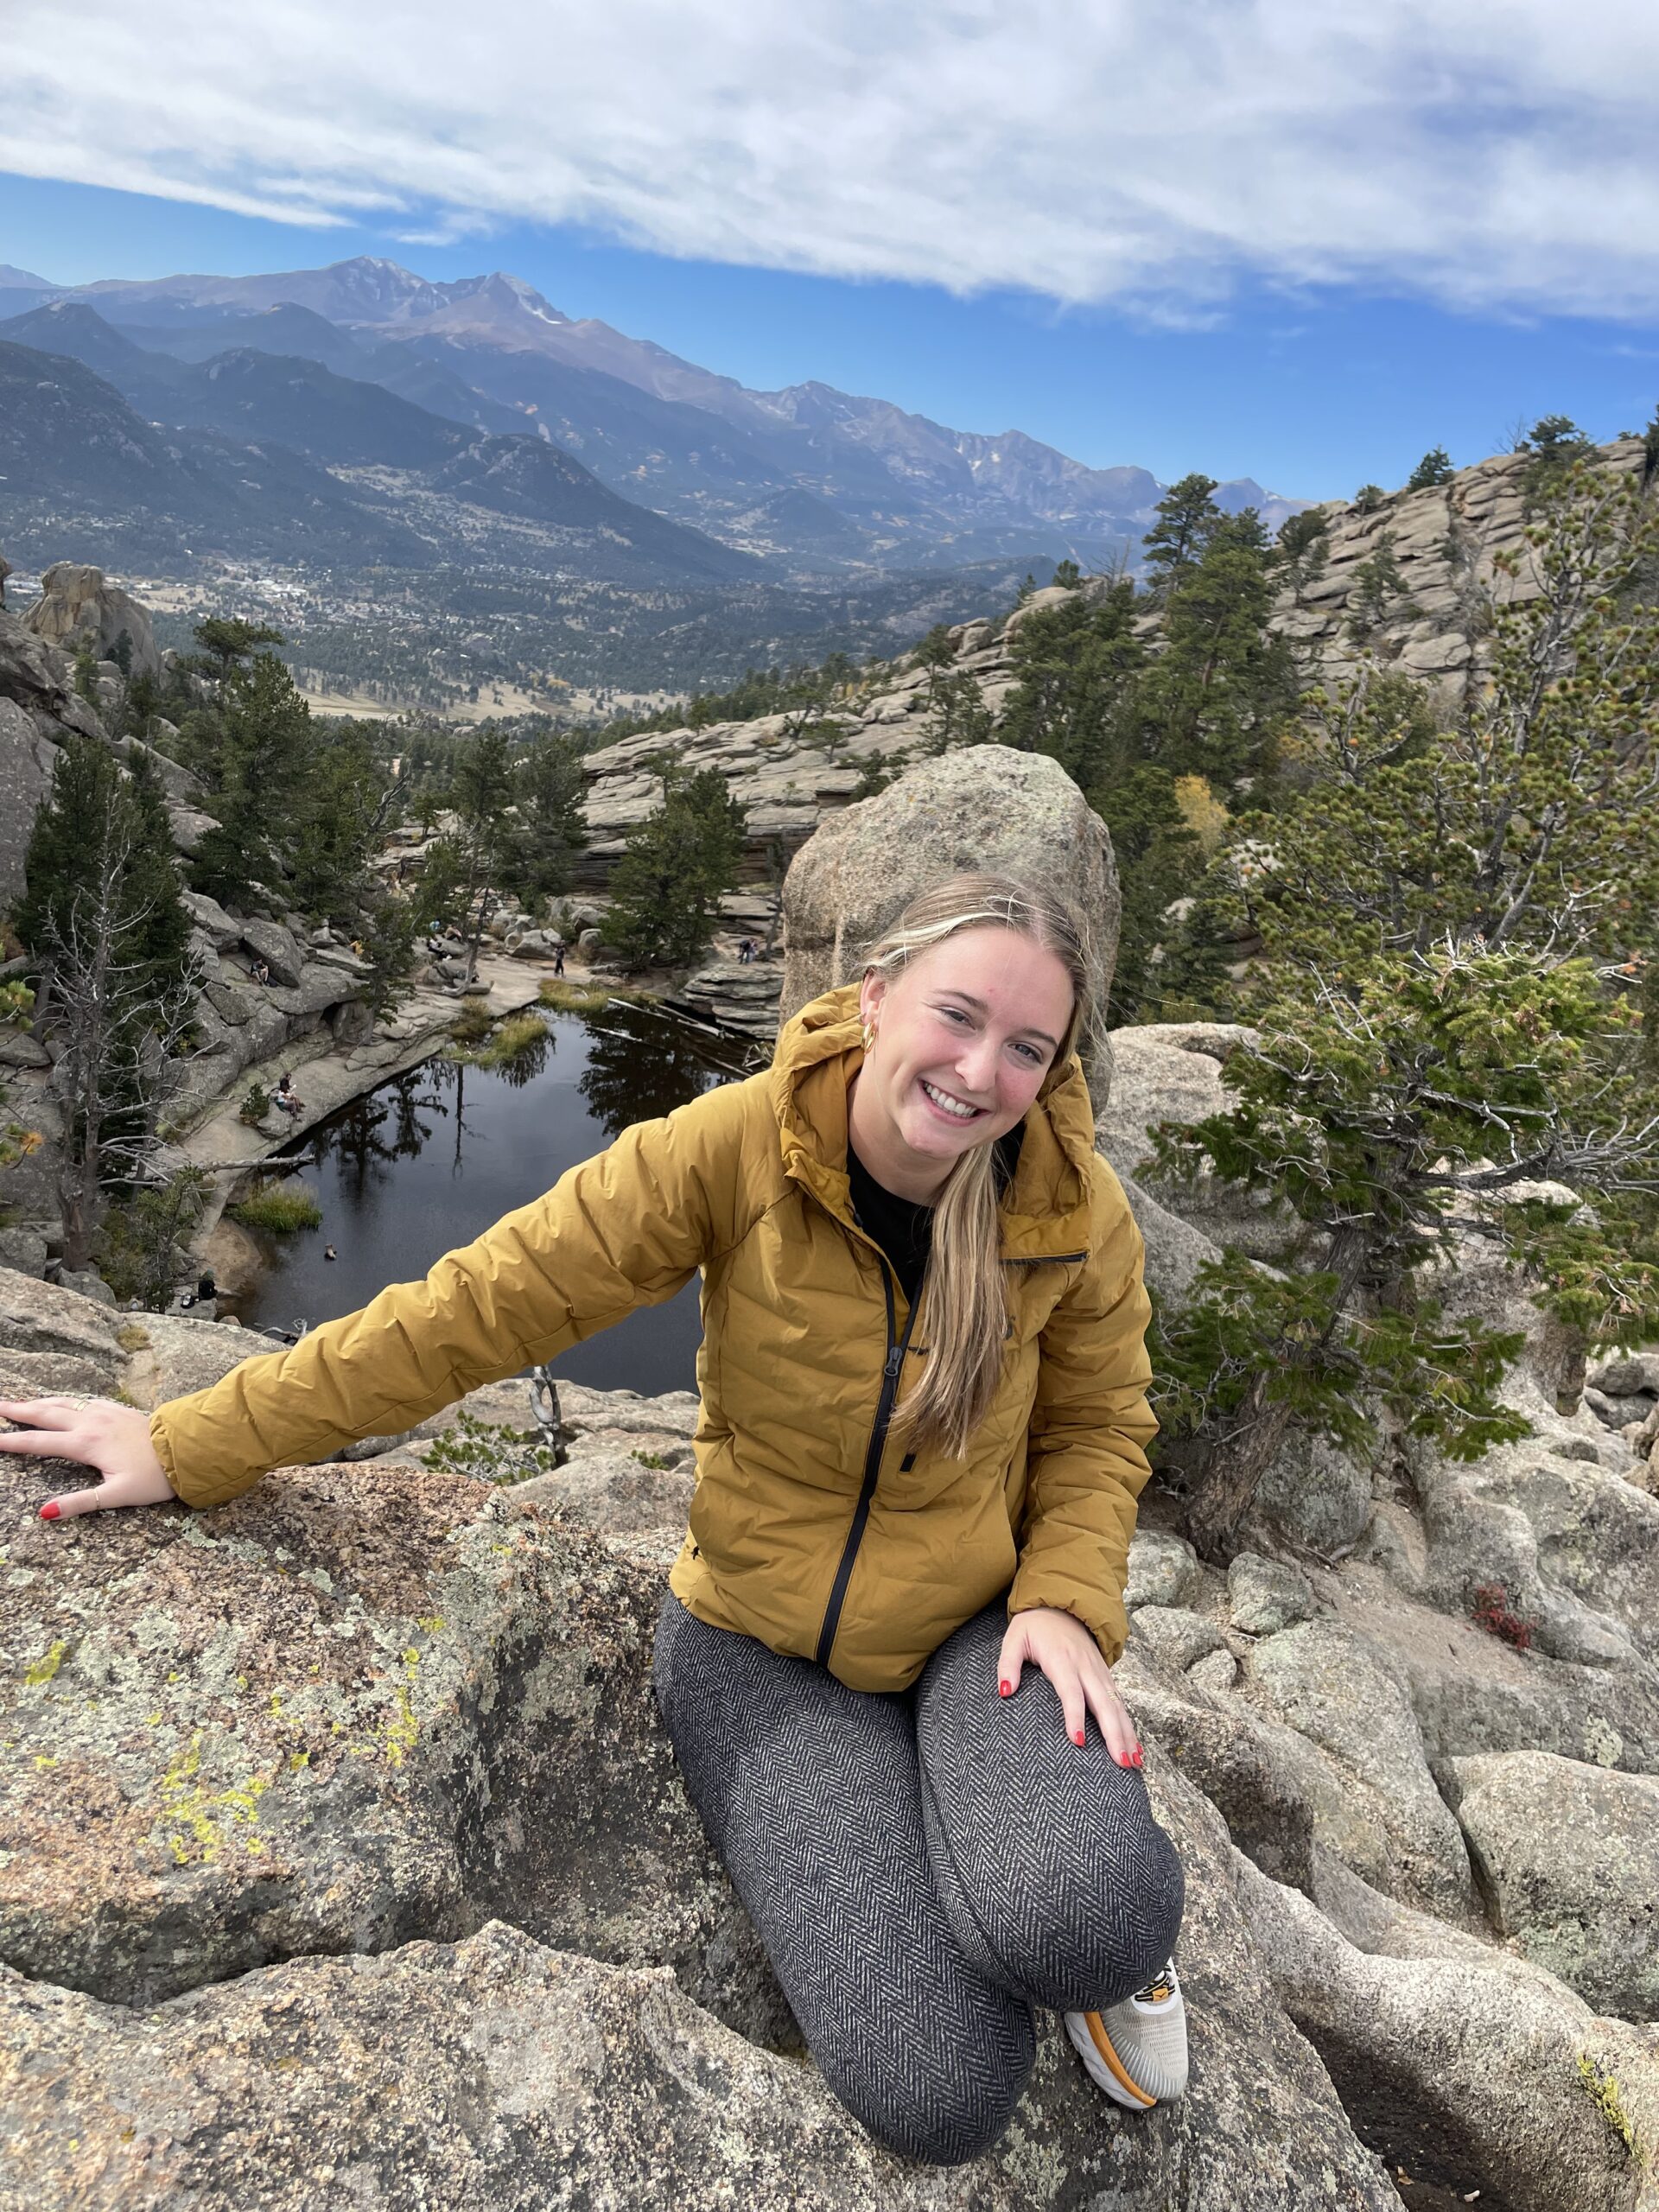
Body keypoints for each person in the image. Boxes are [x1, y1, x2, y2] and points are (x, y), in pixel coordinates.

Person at [0, 874, 1185, 2161]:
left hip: (976, 1625)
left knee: (1092, 1924)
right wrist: (190, 1440)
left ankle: (1042, 1881)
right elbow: (481, 1307)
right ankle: (977, 1845)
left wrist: (1063, 1597)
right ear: (875, 995)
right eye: (957, 1016)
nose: (978, 1072)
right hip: (758, 1645)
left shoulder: (1070, 1210)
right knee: (936, 2096)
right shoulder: (734, 1146)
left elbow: (1097, 1426)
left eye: (1027, 1047)